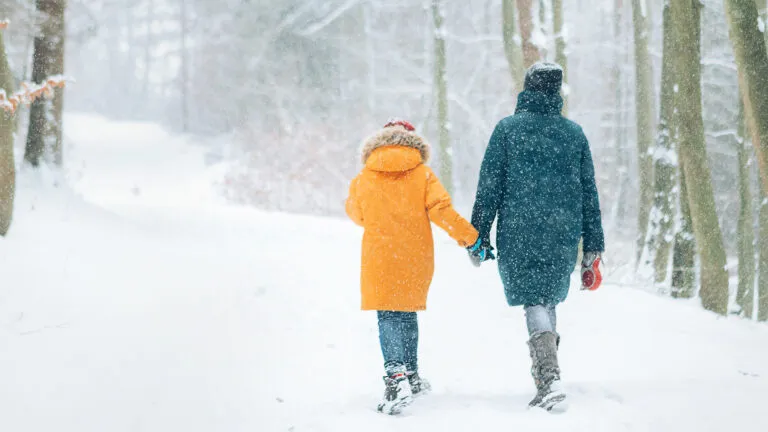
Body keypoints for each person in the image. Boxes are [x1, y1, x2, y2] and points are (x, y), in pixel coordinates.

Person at [469, 62, 605, 410]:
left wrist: (479, 234)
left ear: (527, 89)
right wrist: (592, 247)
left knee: (534, 298)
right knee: (545, 298)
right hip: (563, 230)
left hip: (520, 227)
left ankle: (548, 378)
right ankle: (547, 373)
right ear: (556, 93)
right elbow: (590, 194)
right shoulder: (574, 134)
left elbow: (489, 187)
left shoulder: (508, 130)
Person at [345, 119, 490, 415]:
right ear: (411, 141)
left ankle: (396, 376)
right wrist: (472, 239)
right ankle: (410, 375)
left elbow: (356, 214)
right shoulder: (422, 174)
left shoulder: (364, 177)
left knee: (387, 313)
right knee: (406, 311)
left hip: (380, 254)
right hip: (414, 255)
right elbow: (442, 212)